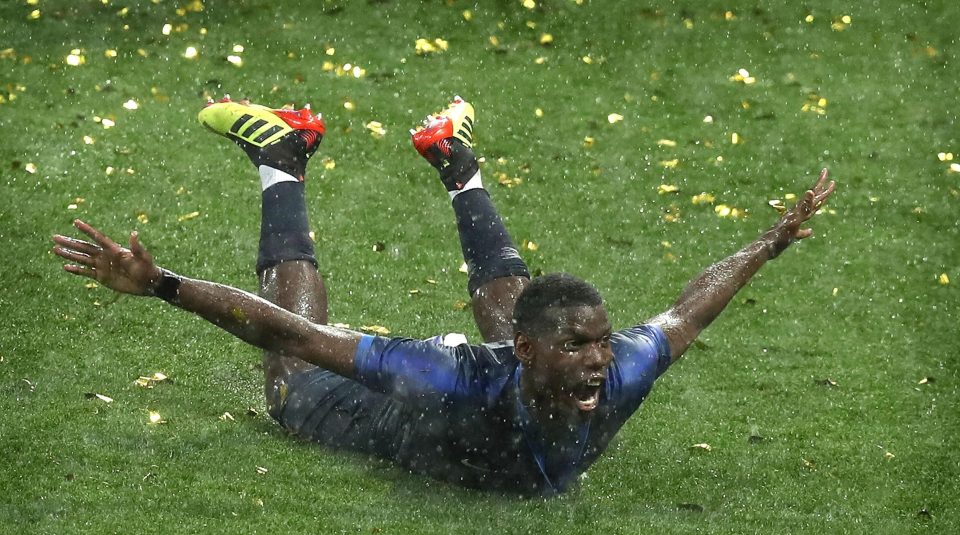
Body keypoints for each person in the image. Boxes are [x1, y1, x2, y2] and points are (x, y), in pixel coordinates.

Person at [52, 96, 836, 496]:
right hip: (388, 415)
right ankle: (281, 157)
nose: (600, 360)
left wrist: (768, 242)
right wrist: (157, 282)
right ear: (533, 355)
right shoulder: (446, 376)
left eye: (598, 340)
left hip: (508, 378)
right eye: (579, 346)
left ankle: (454, 159)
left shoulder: (621, 366)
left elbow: (690, 309)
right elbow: (297, 335)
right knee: (289, 376)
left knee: (520, 312)